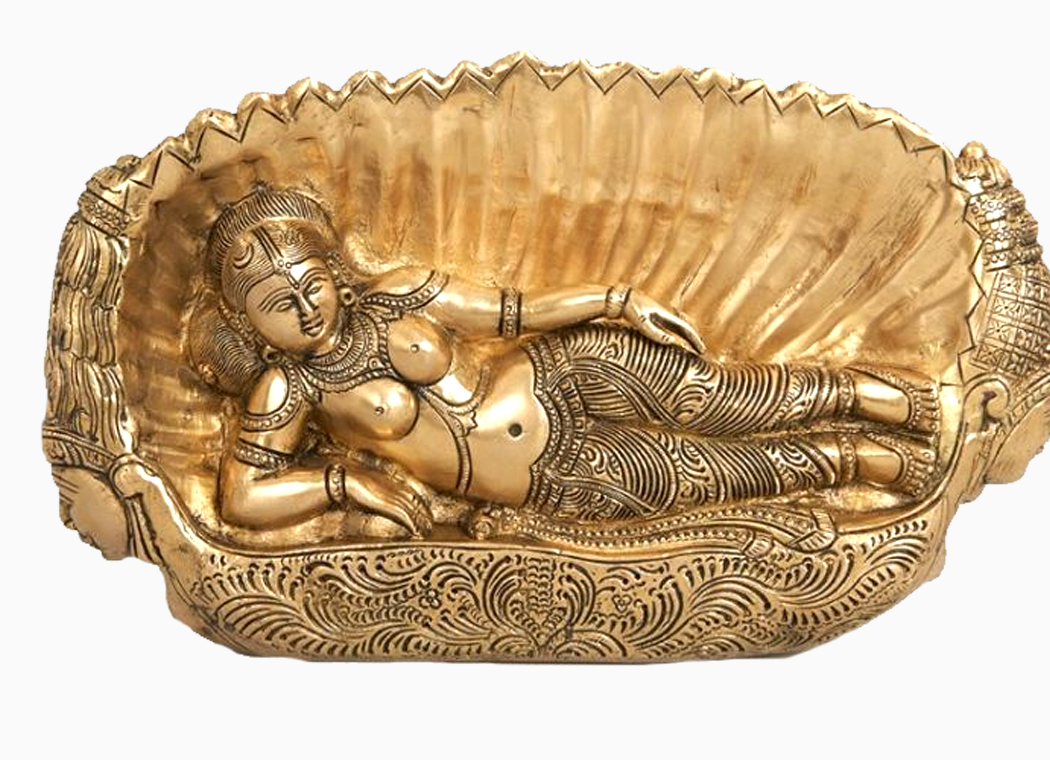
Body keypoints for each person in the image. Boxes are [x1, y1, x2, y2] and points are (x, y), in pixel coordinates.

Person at [188, 187, 939, 534]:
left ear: (331, 270)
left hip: (567, 373)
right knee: (713, 476)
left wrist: (616, 302)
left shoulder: (397, 292)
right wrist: (345, 480)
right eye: (278, 304)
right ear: (250, 325)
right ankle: (862, 462)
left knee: (726, 395)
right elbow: (241, 497)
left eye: (311, 284)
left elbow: (512, 313)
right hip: (551, 475)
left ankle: (880, 397)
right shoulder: (288, 390)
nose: (306, 307)